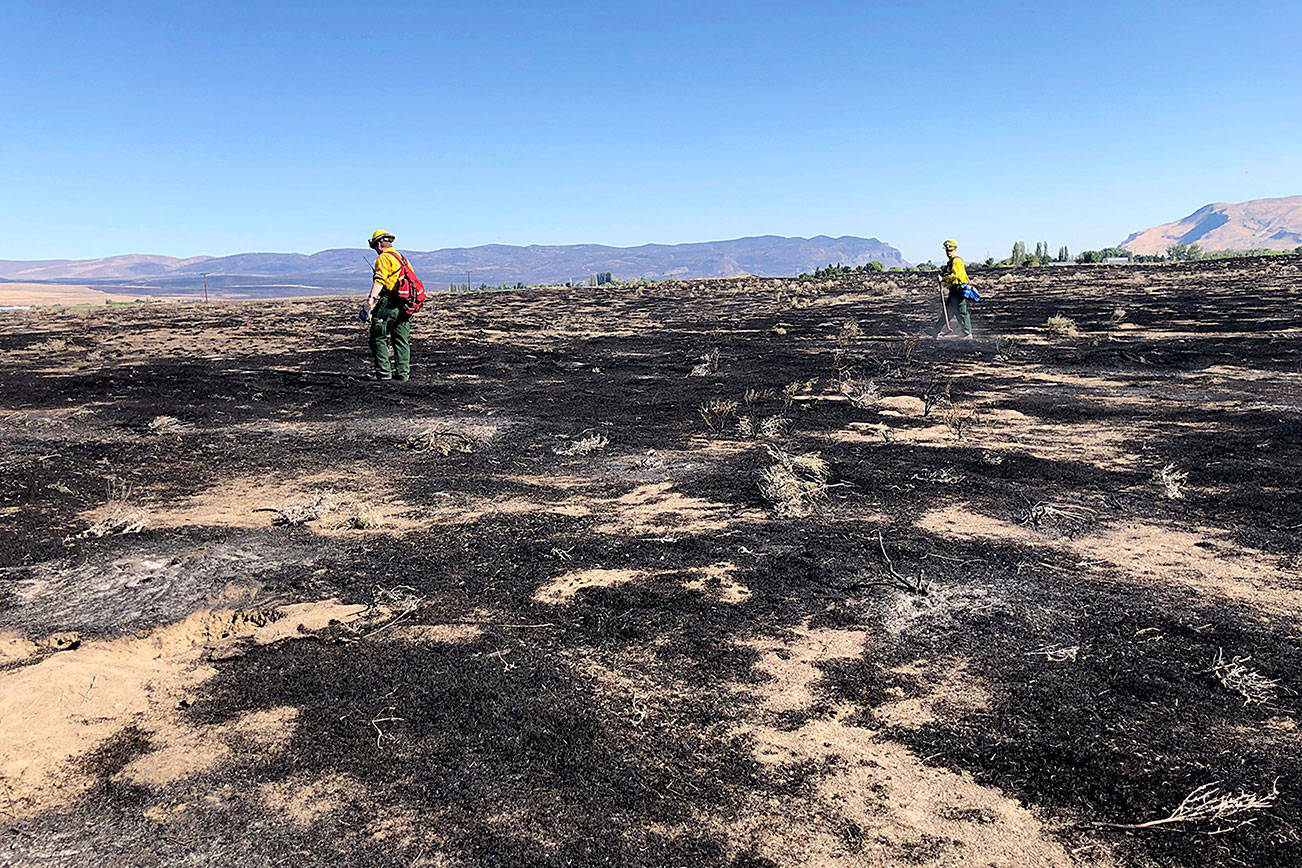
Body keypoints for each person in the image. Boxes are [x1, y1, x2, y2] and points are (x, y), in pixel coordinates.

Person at [361, 230, 411, 381]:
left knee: (378, 337)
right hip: (405, 304)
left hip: (388, 302)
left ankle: (384, 375)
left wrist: (371, 300)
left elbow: (380, 280)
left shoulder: (383, 259)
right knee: (401, 338)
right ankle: (403, 375)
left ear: (378, 244)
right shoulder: (402, 258)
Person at [933, 238, 974, 339]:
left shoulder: (956, 261)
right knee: (948, 311)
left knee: (961, 311)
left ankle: (967, 333)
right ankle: (936, 331)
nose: (948, 252)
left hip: (959, 289)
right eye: (947, 250)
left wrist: (943, 279)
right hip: (954, 290)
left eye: (950, 250)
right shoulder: (950, 262)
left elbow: (956, 275)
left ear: (955, 250)